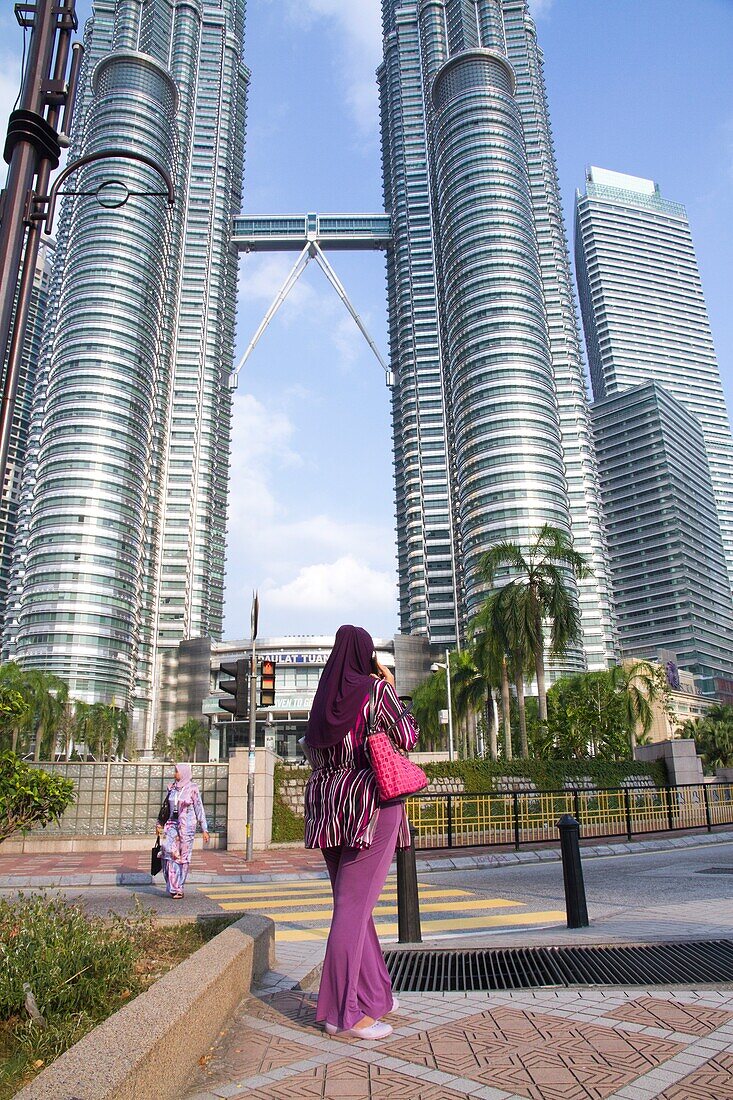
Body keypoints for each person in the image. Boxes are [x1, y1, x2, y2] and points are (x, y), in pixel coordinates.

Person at [304, 624, 419, 1040]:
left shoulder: (321, 701)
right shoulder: (374, 690)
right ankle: (344, 1014)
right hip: (371, 802)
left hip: (326, 806)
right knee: (354, 909)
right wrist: (391, 686)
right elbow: (408, 735)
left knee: (354, 906)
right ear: (367, 655)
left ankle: (375, 997)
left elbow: (312, 751)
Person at [156, 762, 209, 899]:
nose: (175, 774)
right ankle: (172, 884)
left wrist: (204, 829)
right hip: (171, 825)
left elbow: (199, 808)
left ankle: (179, 887)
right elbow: (165, 807)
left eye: (177, 771)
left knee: (183, 857)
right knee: (168, 851)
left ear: (184, 772)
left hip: (187, 827)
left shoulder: (193, 788)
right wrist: (159, 823)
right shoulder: (171, 788)